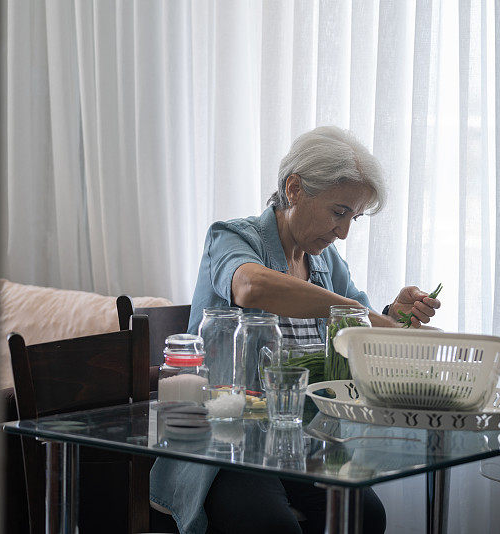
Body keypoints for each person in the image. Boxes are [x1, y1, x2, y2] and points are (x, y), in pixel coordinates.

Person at [151, 125, 442, 534]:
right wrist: (360, 312)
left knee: (366, 513)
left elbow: (362, 330)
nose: (343, 231)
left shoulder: (326, 262)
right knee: (272, 525)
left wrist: (395, 315)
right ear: (294, 188)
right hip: (225, 445)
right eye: (338, 212)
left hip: (298, 441)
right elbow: (251, 286)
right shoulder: (232, 237)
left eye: (353, 218)